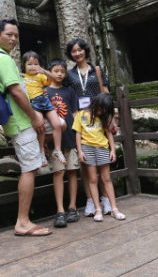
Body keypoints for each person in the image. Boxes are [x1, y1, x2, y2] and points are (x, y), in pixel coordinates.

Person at [0, 19, 52, 237]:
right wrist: (34, 117)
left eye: (16, 35)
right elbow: (16, 92)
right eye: (9, 34)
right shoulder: (3, 60)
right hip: (20, 121)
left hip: (17, 121)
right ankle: (23, 222)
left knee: (31, 167)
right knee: (29, 169)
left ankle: (23, 220)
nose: (14, 39)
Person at [64, 38, 113, 217]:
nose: (77, 54)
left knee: (103, 162)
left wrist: (110, 116)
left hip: (99, 118)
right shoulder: (69, 75)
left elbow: (105, 91)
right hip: (81, 120)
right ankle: (91, 200)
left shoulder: (97, 70)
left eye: (79, 50)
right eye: (73, 51)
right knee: (86, 165)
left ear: (85, 50)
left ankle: (106, 199)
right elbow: (68, 96)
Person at [73, 93, 125, 222]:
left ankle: (114, 208)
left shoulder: (104, 117)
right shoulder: (81, 114)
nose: (101, 111)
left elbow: (109, 134)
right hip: (87, 148)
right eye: (100, 108)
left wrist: (112, 150)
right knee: (92, 179)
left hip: (102, 147)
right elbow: (78, 134)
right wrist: (80, 151)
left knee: (106, 178)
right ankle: (98, 209)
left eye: (104, 110)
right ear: (95, 103)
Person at [45, 59, 80, 228]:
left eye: (62, 71)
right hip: (53, 141)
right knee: (58, 173)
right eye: (56, 70)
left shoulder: (70, 92)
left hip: (70, 137)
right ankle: (60, 210)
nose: (59, 74)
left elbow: (75, 114)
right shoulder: (44, 91)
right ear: (49, 72)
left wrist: (79, 135)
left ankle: (72, 207)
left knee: (72, 172)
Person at [21, 51, 66, 167]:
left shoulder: (40, 76)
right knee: (41, 126)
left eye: (36, 64)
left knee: (57, 124)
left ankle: (57, 150)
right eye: (29, 64)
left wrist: (43, 70)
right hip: (34, 103)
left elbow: (52, 78)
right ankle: (41, 152)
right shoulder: (22, 78)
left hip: (44, 102)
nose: (33, 66)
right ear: (24, 66)